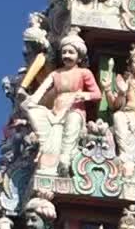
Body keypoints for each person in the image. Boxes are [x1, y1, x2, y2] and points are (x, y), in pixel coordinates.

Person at [21, 33, 102, 175]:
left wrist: (84, 95)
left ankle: (65, 156)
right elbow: (40, 92)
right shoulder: (55, 74)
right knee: (34, 112)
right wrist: (30, 102)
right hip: (55, 112)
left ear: (79, 57)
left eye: (71, 52)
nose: (67, 55)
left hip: (74, 110)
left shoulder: (84, 72)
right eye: (64, 52)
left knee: (73, 120)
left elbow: (97, 94)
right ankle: (47, 152)